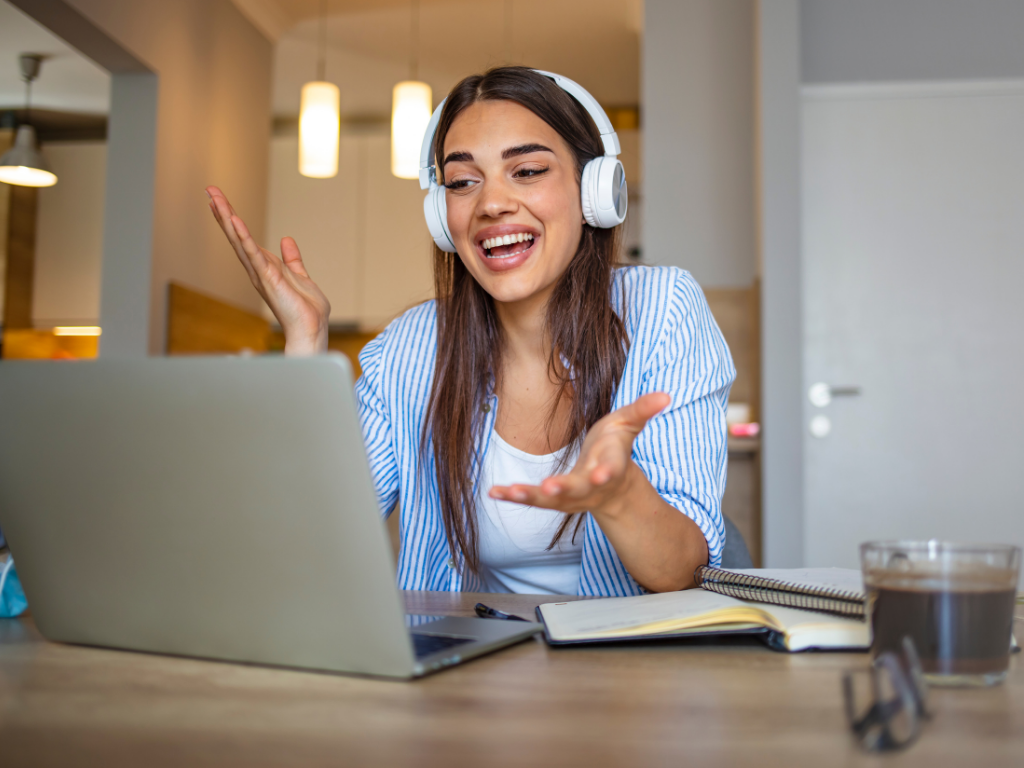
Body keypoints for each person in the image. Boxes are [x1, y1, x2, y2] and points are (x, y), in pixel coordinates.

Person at [207, 67, 734, 597]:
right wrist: (305, 345)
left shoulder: (663, 311)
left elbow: (682, 574)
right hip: (475, 668)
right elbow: (313, 539)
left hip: (627, 672)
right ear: (442, 215)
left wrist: (620, 496)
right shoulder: (409, 349)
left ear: (593, 189)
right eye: (462, 182)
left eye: (527, 170)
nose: (491, 203)